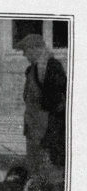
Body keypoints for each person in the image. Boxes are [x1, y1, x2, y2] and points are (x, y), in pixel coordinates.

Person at [16, 34, 67, 173]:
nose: (24, 55)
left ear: (36, 49)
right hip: (33, 128)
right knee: (34, 167)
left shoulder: (52, 66)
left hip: (47, 130)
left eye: (26, 51)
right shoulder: (32, 69)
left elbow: (56, 103)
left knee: (47, 170)